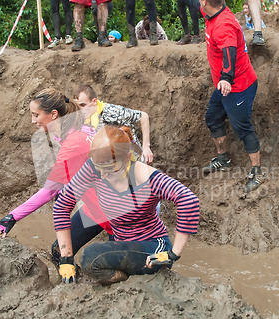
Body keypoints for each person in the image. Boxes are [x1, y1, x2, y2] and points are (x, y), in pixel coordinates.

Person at [53, 125, 199, 285]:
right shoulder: (93, 168)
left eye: (109, 168)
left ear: (128, 157)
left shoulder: (146, 177)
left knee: (91, 257)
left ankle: (128, 281)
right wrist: (66, 258)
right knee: (58, 251)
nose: (102, 174)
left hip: (153, 248)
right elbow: (62, 205)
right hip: (121, 242)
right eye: (99, 167)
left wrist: (173, 254)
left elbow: (188, 200)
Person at [0, 88, 113, 264]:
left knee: (114, 268)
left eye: (36, 115)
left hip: (118, 214)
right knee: (59, 251)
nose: (32, 120)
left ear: (53, 114)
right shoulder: (76, 130)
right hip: (96, 208)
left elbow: (50, 191)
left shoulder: (73, 142)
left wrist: (12, 217)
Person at [200, 0, 264, 193]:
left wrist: (227, 77)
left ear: (205, 2)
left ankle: (257, 172)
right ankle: (223, 159)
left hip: (238, 86)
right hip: (223, 86)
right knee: (212, 118)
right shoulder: (212, 11)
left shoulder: (223, 25)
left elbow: (230, 53)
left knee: (243, 129)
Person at [74, 84, 154, 164]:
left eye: (83, 105)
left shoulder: (111, 111)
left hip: (133, 158)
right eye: (77, 106)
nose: (80, 110)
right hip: (113, 163)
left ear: (94, 101)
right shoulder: (86, 120)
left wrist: (146, 147)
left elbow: (143, 116)